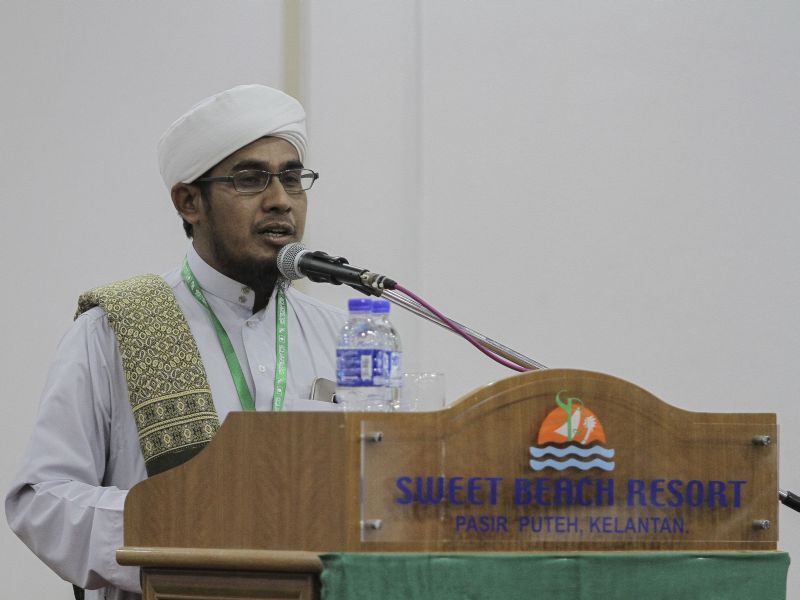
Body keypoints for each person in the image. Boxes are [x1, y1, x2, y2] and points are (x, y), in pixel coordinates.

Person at [5, 85, 345, 600]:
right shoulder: (117, 326)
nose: (280, 199)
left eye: (293, 178)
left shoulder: (340, 337)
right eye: (250, 179)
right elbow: (41, 500)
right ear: (189, 202)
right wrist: (177, 521)